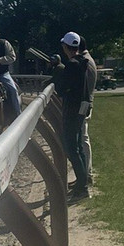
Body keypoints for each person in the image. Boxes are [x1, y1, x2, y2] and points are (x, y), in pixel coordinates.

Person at [50, 31, 96, 202]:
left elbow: (62, 90)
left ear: (65, 47)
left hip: (71, 111)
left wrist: (57, 73)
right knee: (78, 148)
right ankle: (82, 184)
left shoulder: (71, 64)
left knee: (72, 149)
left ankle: (82, 188)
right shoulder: (83, 61)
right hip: (81, 110)